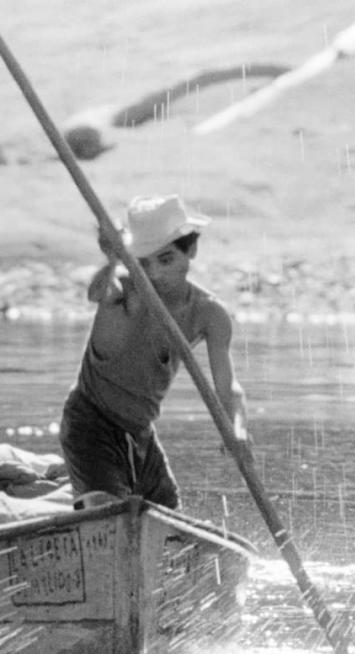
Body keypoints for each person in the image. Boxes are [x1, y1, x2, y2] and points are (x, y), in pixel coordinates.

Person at [59, 194, 248, 510]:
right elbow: (97, 292)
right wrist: (112, 258)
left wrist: (237, 431)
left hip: (141, 433)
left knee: (173, 526)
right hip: (90, 424)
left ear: (192, 251)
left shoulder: (209, 314)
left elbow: (227, 388)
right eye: (144, 263)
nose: (156, 274)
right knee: (108, 516)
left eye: (166, 260)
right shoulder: (124, 288)